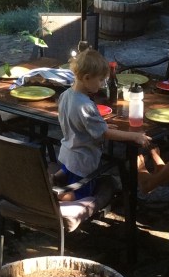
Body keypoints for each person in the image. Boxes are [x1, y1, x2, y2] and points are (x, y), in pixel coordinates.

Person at [58, 48, 151, 200]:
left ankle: (53, 182)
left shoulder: (65, 95)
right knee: (82, 192)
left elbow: (80, 123)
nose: (102, 84)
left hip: (68, 153)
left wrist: (101, 125)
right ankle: (55, 200)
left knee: (68, 175)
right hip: (83, 161)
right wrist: (134, 136)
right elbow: (104, 133)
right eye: (100, 80)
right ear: (87, 78)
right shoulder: (85, 105)